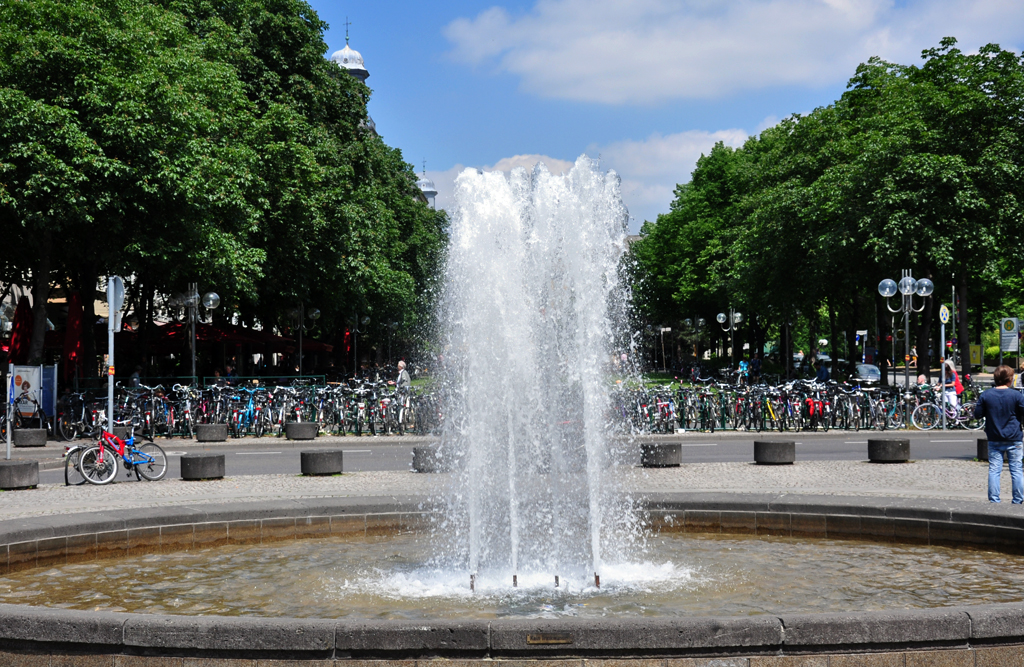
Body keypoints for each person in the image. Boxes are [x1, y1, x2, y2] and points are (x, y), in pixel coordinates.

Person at [974, 365, 1024, 504]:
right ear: (1009, 380)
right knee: (1016, 470)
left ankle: (994, 500)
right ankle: (1018, 500)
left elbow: (977, 415)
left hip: (994, 437)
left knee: (994, 470)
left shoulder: (986, 395)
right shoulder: (1016, 395)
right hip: (1014, 437)